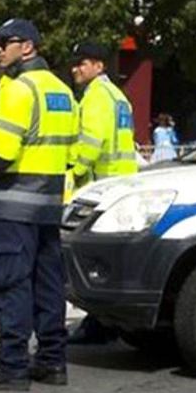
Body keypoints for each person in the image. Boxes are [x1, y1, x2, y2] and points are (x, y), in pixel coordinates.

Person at [0, 19, 78, 391]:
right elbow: (72, 149)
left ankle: (12, 366)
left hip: (14, 207)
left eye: (5, 42)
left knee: (11, 282)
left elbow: (2, 151)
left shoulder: (17, 89)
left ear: (27, 47)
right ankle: (52, 361)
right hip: (49, 205)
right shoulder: (62, 91)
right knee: (48, 284)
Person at [66, 41, 138, 345]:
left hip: (101, 186)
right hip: (124, 182)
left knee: (92, 260)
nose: (76, 69)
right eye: (75, 63)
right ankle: (105, 323)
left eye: (82, 63)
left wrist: (74, 170)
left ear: (99, 66)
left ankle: (98, 325)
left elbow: (91, 142)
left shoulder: (95, 96)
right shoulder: (118, 96)